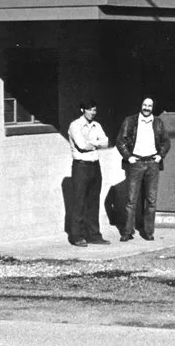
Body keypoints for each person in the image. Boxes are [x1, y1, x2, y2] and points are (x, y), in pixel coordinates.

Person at [115, 97, 171, 242]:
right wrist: (128, 157)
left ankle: (148, 232)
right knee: (131, 200)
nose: (147, 108)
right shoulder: (130, 121)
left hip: (152, 163)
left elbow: (166, 141)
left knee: (151, 200)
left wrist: (160, 155)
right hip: (136, 163)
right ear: (141, 105)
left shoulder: (158, 122)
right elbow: (120, 141)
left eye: (149, 106)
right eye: (145, 105)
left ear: (153, 107)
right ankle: (128, 232)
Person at [66, 100, 110, 247]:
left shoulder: (97, 125)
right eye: (90, 109)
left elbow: (106, 142)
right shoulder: (75, 125)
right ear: (82, 110)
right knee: (79, 202)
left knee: (93, 202)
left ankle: (94, 235)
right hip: (81, 166)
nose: (92, 112)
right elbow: (82, 145)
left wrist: (92, 143)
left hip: (95, 166)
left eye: (94, 110)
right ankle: (77, 236)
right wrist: (96, 143)